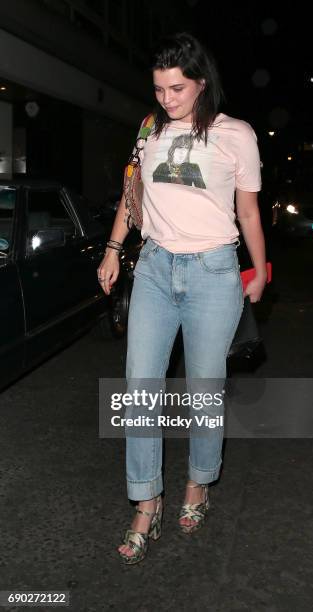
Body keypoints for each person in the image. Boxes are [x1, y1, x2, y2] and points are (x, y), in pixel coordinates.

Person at [97, 32, 267, 565]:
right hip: (152, 268)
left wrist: (259, 269)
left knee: (203, 391)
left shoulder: (235, 134)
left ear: (200, 83)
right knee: (140, 390)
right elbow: (133, 193)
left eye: (176, 88)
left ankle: (198, 485)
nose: (166, 99)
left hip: (214, 271)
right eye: (159, 89)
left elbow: (248, 213)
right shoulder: (150, 129)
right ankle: (147, 502)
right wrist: (111, 248)